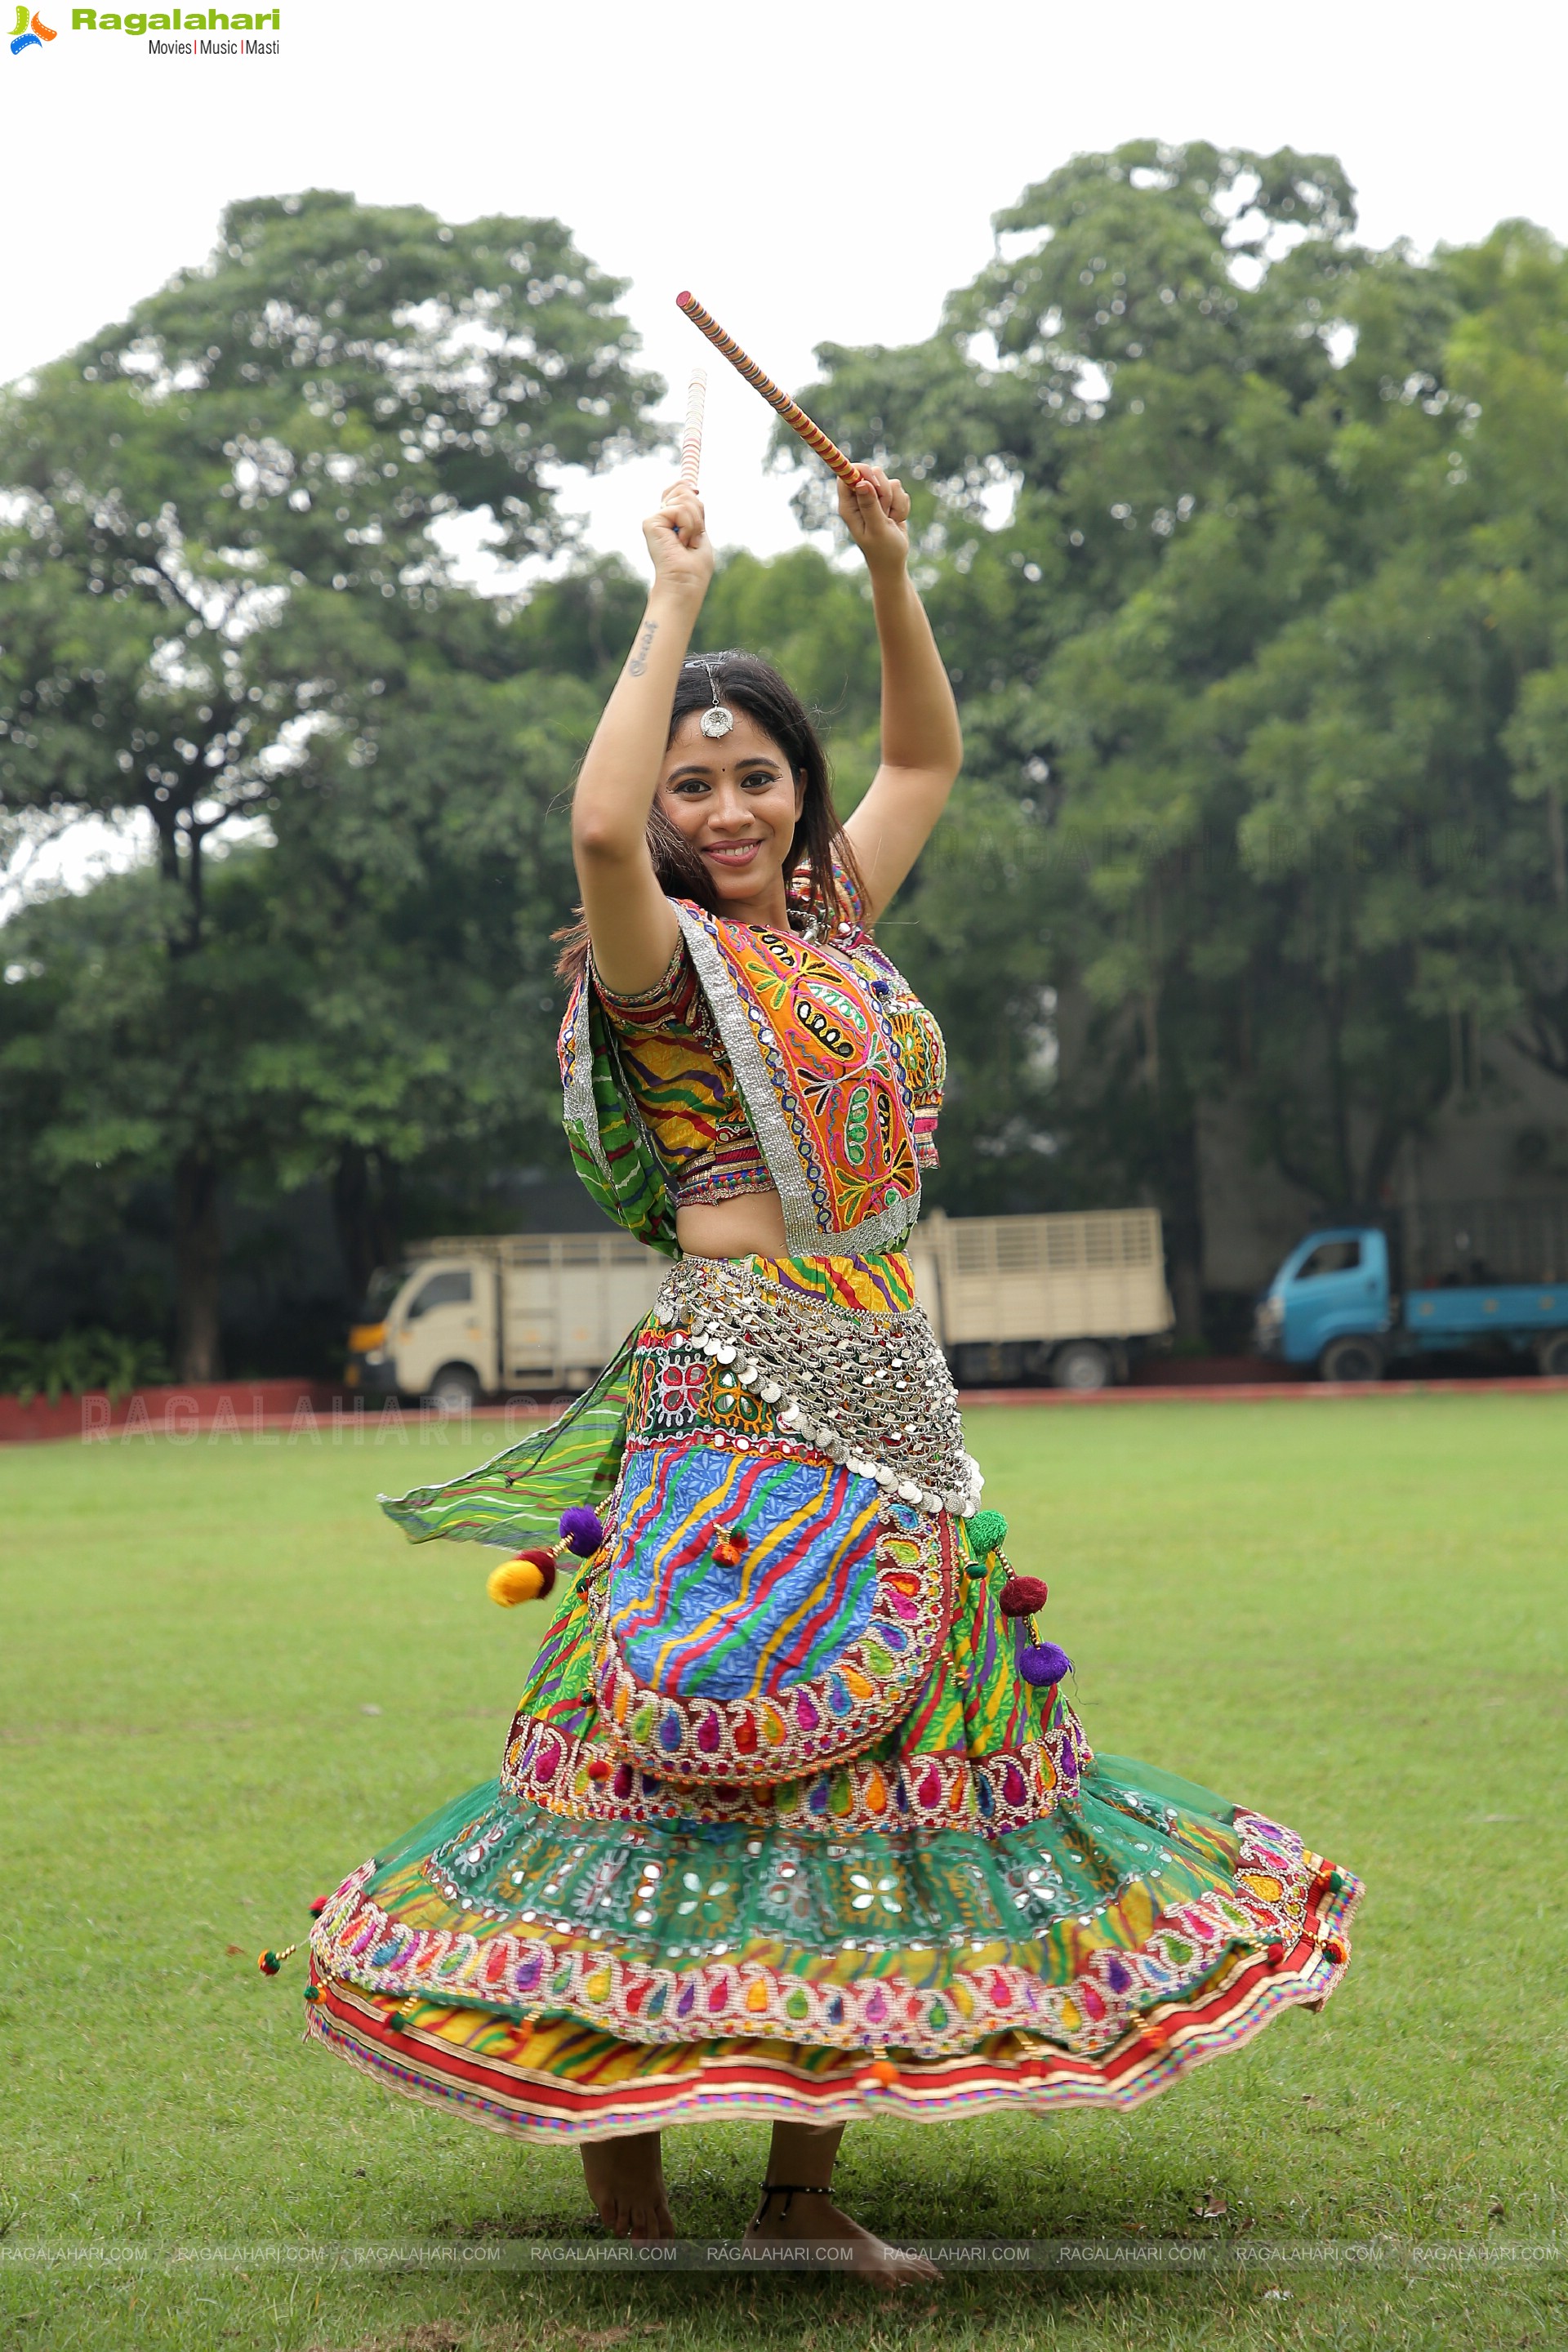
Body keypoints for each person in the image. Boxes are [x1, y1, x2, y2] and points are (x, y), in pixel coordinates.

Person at [303, 466, 1361, 2283]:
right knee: (679, 1757)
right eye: (694, 777)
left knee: (887, 1776)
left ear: (795, 791)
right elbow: (593, 836)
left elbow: (932, 755)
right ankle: (615, 2138)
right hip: (733, 1413)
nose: (719, 803)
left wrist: (888, 560)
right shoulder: (668, 963)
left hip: (894, 1405)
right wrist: (671, 603)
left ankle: (803, 2189)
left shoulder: (838, 938)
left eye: (754, 773)